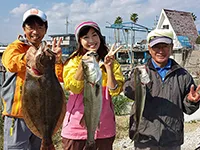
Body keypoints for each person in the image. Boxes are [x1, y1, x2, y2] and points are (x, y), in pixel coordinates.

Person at [123, 28, 200, 150]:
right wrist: (133, 82)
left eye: (164, 46)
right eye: (156, 47)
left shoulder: (183, 75)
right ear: (149, 49)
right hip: (145, 137)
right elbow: (128, 92)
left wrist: (192, 101)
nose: (160, 51)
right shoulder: (140, 72)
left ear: (171, 47)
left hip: (171, 139)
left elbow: (188, 109)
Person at [1, 8, 62, 149]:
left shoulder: (48, 52)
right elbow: (10, 63)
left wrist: (57, 61)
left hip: (43, 117)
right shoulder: (16, 47)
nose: (35, 31)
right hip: (16, 117)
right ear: (23, 28)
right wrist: (25, 59)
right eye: (30, 26)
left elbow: (58, 78)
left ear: (46, 29)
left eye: (40, 27)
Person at [61, 21, 125, 150]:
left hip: (105, 128)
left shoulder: (111, 60)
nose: (91, 40)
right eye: (85, 37)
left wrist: (109, 68)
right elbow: (74, 87)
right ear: (79, 40)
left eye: (94, 35)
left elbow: (115, 91)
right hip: (75, 128)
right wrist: (82, 66)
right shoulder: (73, 61)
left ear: (100, 37)